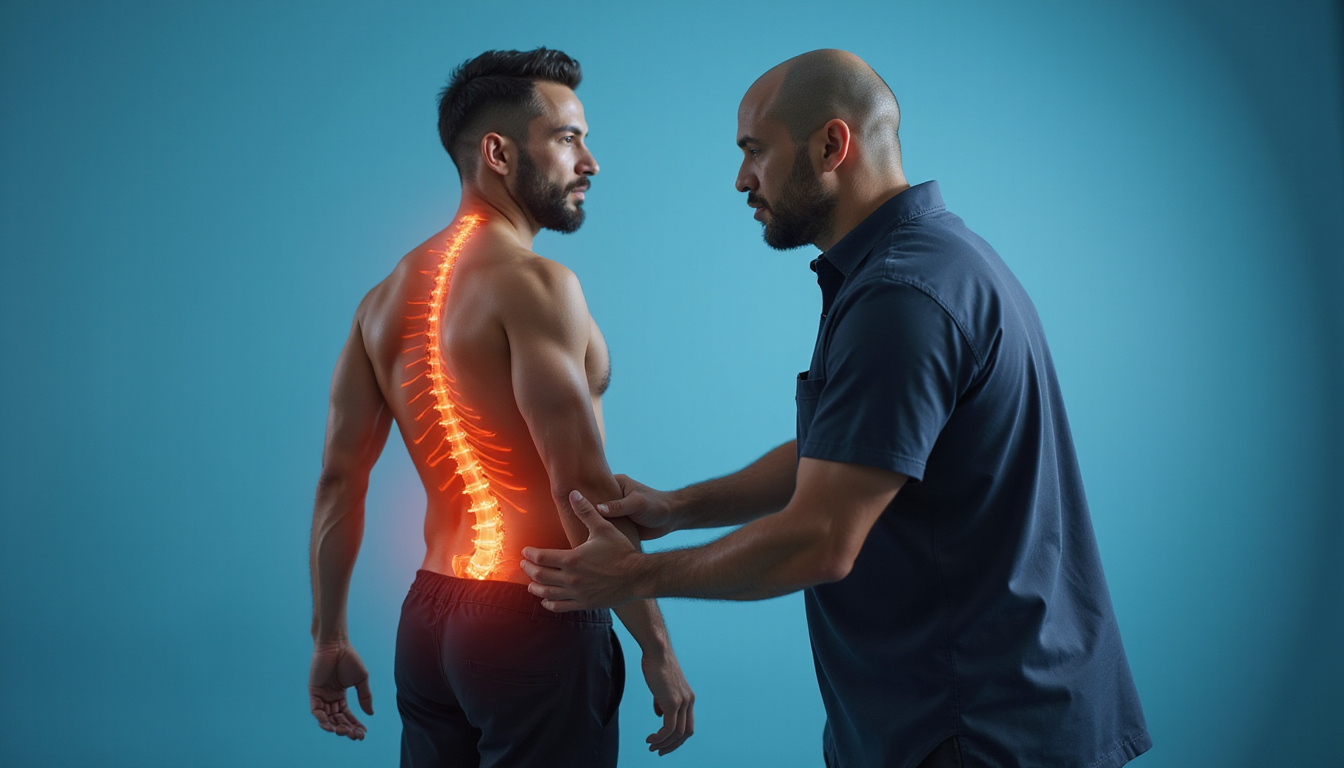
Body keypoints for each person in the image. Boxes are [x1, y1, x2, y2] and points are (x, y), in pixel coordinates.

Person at [521, 49, 1150, 768]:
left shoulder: (902, 297)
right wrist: (680, 507)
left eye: (755, 151)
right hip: (974, 713)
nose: (741, 179)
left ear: (831, 145)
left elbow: (821, 538)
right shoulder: (933, 262)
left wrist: (638, 577)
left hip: (973, 729)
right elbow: (855, 451)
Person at [307, 47, 693, 767]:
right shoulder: (537, 285)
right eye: (568, 139)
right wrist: (656, 645)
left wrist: (330, 637)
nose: (590, 163)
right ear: (498, 153)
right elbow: (581, 487)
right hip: (535, 618)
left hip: (428, 622)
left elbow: (338, 481)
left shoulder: (379, 302)